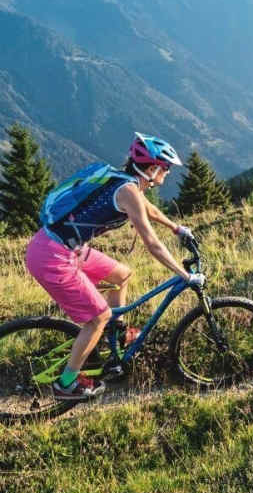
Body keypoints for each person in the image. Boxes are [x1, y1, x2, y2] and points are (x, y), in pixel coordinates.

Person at [25, 133, 204, 401]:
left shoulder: (125, 181)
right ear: (152, 169)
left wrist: (176, 228)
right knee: (98, 317)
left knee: (122, 275)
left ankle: (116, 334)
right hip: (53, 256)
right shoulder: (128, 191)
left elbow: (147, 209)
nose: (167, 173)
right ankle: (66, 384)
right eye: (165, 168)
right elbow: (153, 245)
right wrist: (185, 276)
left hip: (63, 246)